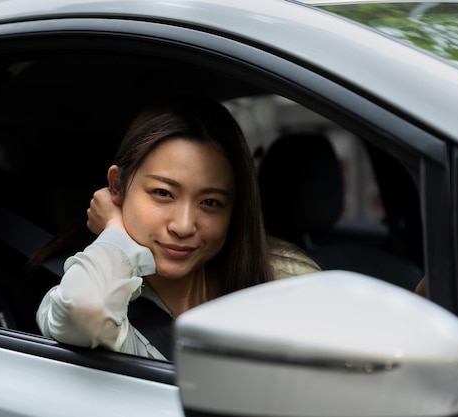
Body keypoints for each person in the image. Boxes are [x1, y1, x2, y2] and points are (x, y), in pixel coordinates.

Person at [35, 95, 318, 361]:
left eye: (210, 202)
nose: (183, 226)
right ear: (116, 186)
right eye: (162, 193)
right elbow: (85, 310)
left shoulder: (284, 277)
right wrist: (114, 230)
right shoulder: (96, 287)